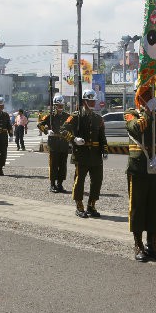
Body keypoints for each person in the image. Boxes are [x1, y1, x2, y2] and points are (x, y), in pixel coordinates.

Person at [125, 98, 156, 262]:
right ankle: (138, 244)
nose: (150, 98)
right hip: (138, 168)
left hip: (155, 167)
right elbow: (136, 128)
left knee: (153, 207)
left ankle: (152, 244)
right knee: (137, 207)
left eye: (151, 95)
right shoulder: (131, 114)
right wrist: (147, 112)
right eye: (145, 95)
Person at [61, 89, 108, 218]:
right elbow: (63, 130)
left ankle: (91, 205)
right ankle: (79, 205)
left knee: (97, 181)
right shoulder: (76, 116)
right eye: (90, 101)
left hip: (96, 155)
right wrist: (73, 139)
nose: (93, 103)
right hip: (81, 154)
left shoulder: (98, 118)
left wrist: (105, 150)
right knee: (79, 181)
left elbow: (102, 136)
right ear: (84, 101)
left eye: (94, 101)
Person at [38, 94, 69, 193]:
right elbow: (39, 124)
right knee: (53, 165)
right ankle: (52, 184)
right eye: (58, 105)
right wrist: (47, 131)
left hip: (63, 143)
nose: (60, 107)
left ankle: (60, 184)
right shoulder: (50, 116)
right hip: (54, 143)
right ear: (55, 105)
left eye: (62, 105)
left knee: (63, 165)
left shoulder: (67, 116)